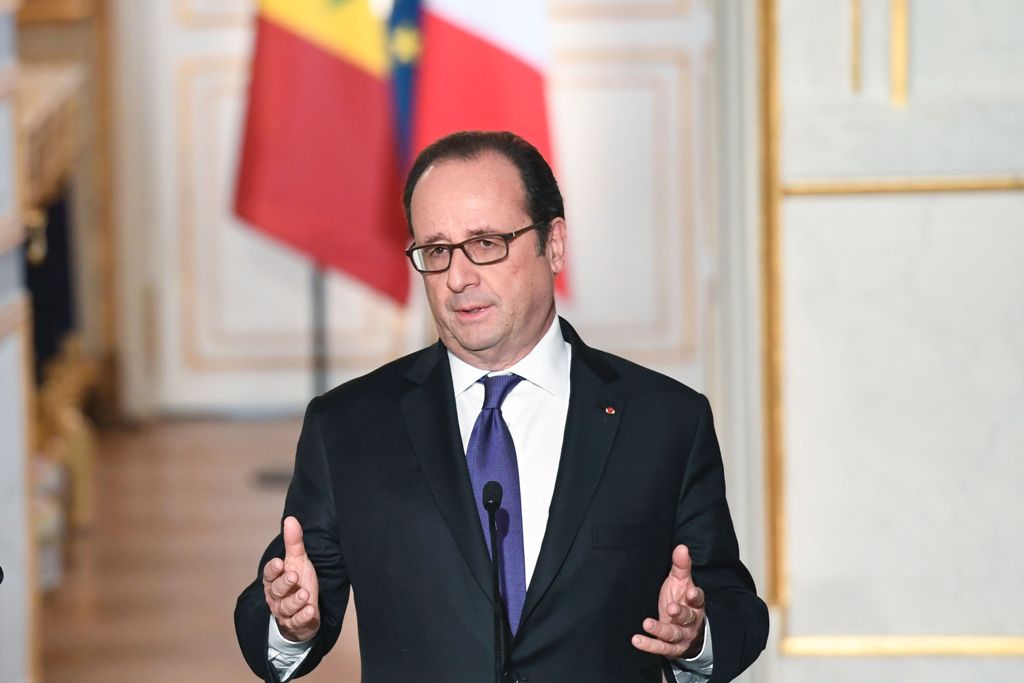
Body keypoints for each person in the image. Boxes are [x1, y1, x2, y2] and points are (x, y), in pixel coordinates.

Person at [235, 131, 768, 682]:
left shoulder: (664, 421)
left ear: (554, 243)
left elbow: (736, 609)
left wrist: (694, 636)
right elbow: (275, 606)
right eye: (436, 251)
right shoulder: (348, 426)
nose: (459, 278)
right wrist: (289, 622)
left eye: (486, 243)